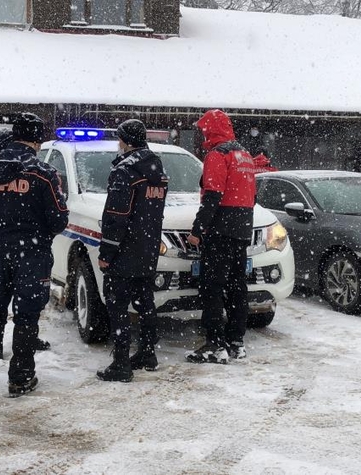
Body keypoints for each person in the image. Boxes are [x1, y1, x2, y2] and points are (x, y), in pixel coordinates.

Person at [0, 113, 69, 397]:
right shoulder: (43, 174)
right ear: (37, 139)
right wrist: (35, 231)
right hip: (32, 254)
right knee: (27, 315)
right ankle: (21, 378)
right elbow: (59, 218)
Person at [96, 119, 169, 383]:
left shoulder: (124, 171)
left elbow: (116, 216)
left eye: (119, 139)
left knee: (117, 306)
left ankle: (121, 363)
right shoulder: (157, 171)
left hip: (125, 250)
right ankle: (148, 354)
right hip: (148, 247)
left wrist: (107, 253)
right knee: (145, 302)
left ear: (125, 141)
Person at [185, 109, 256, 365]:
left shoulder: (218, 155)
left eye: (204, 129)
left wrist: (197, 230)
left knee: (212, 286)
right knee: (237, 287)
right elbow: (252, 196)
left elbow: (213, 195)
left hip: (221, 228)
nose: (202, 133)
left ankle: (215, 344)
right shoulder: (244, 155)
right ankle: (236, 341)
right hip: (243, 227)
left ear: (211, 130)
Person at [0, 127, 53, 363]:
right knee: (27, 307)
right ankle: (22, 366)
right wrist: (41, 232)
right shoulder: (36, 172)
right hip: (30, 250)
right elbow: (57, 217)